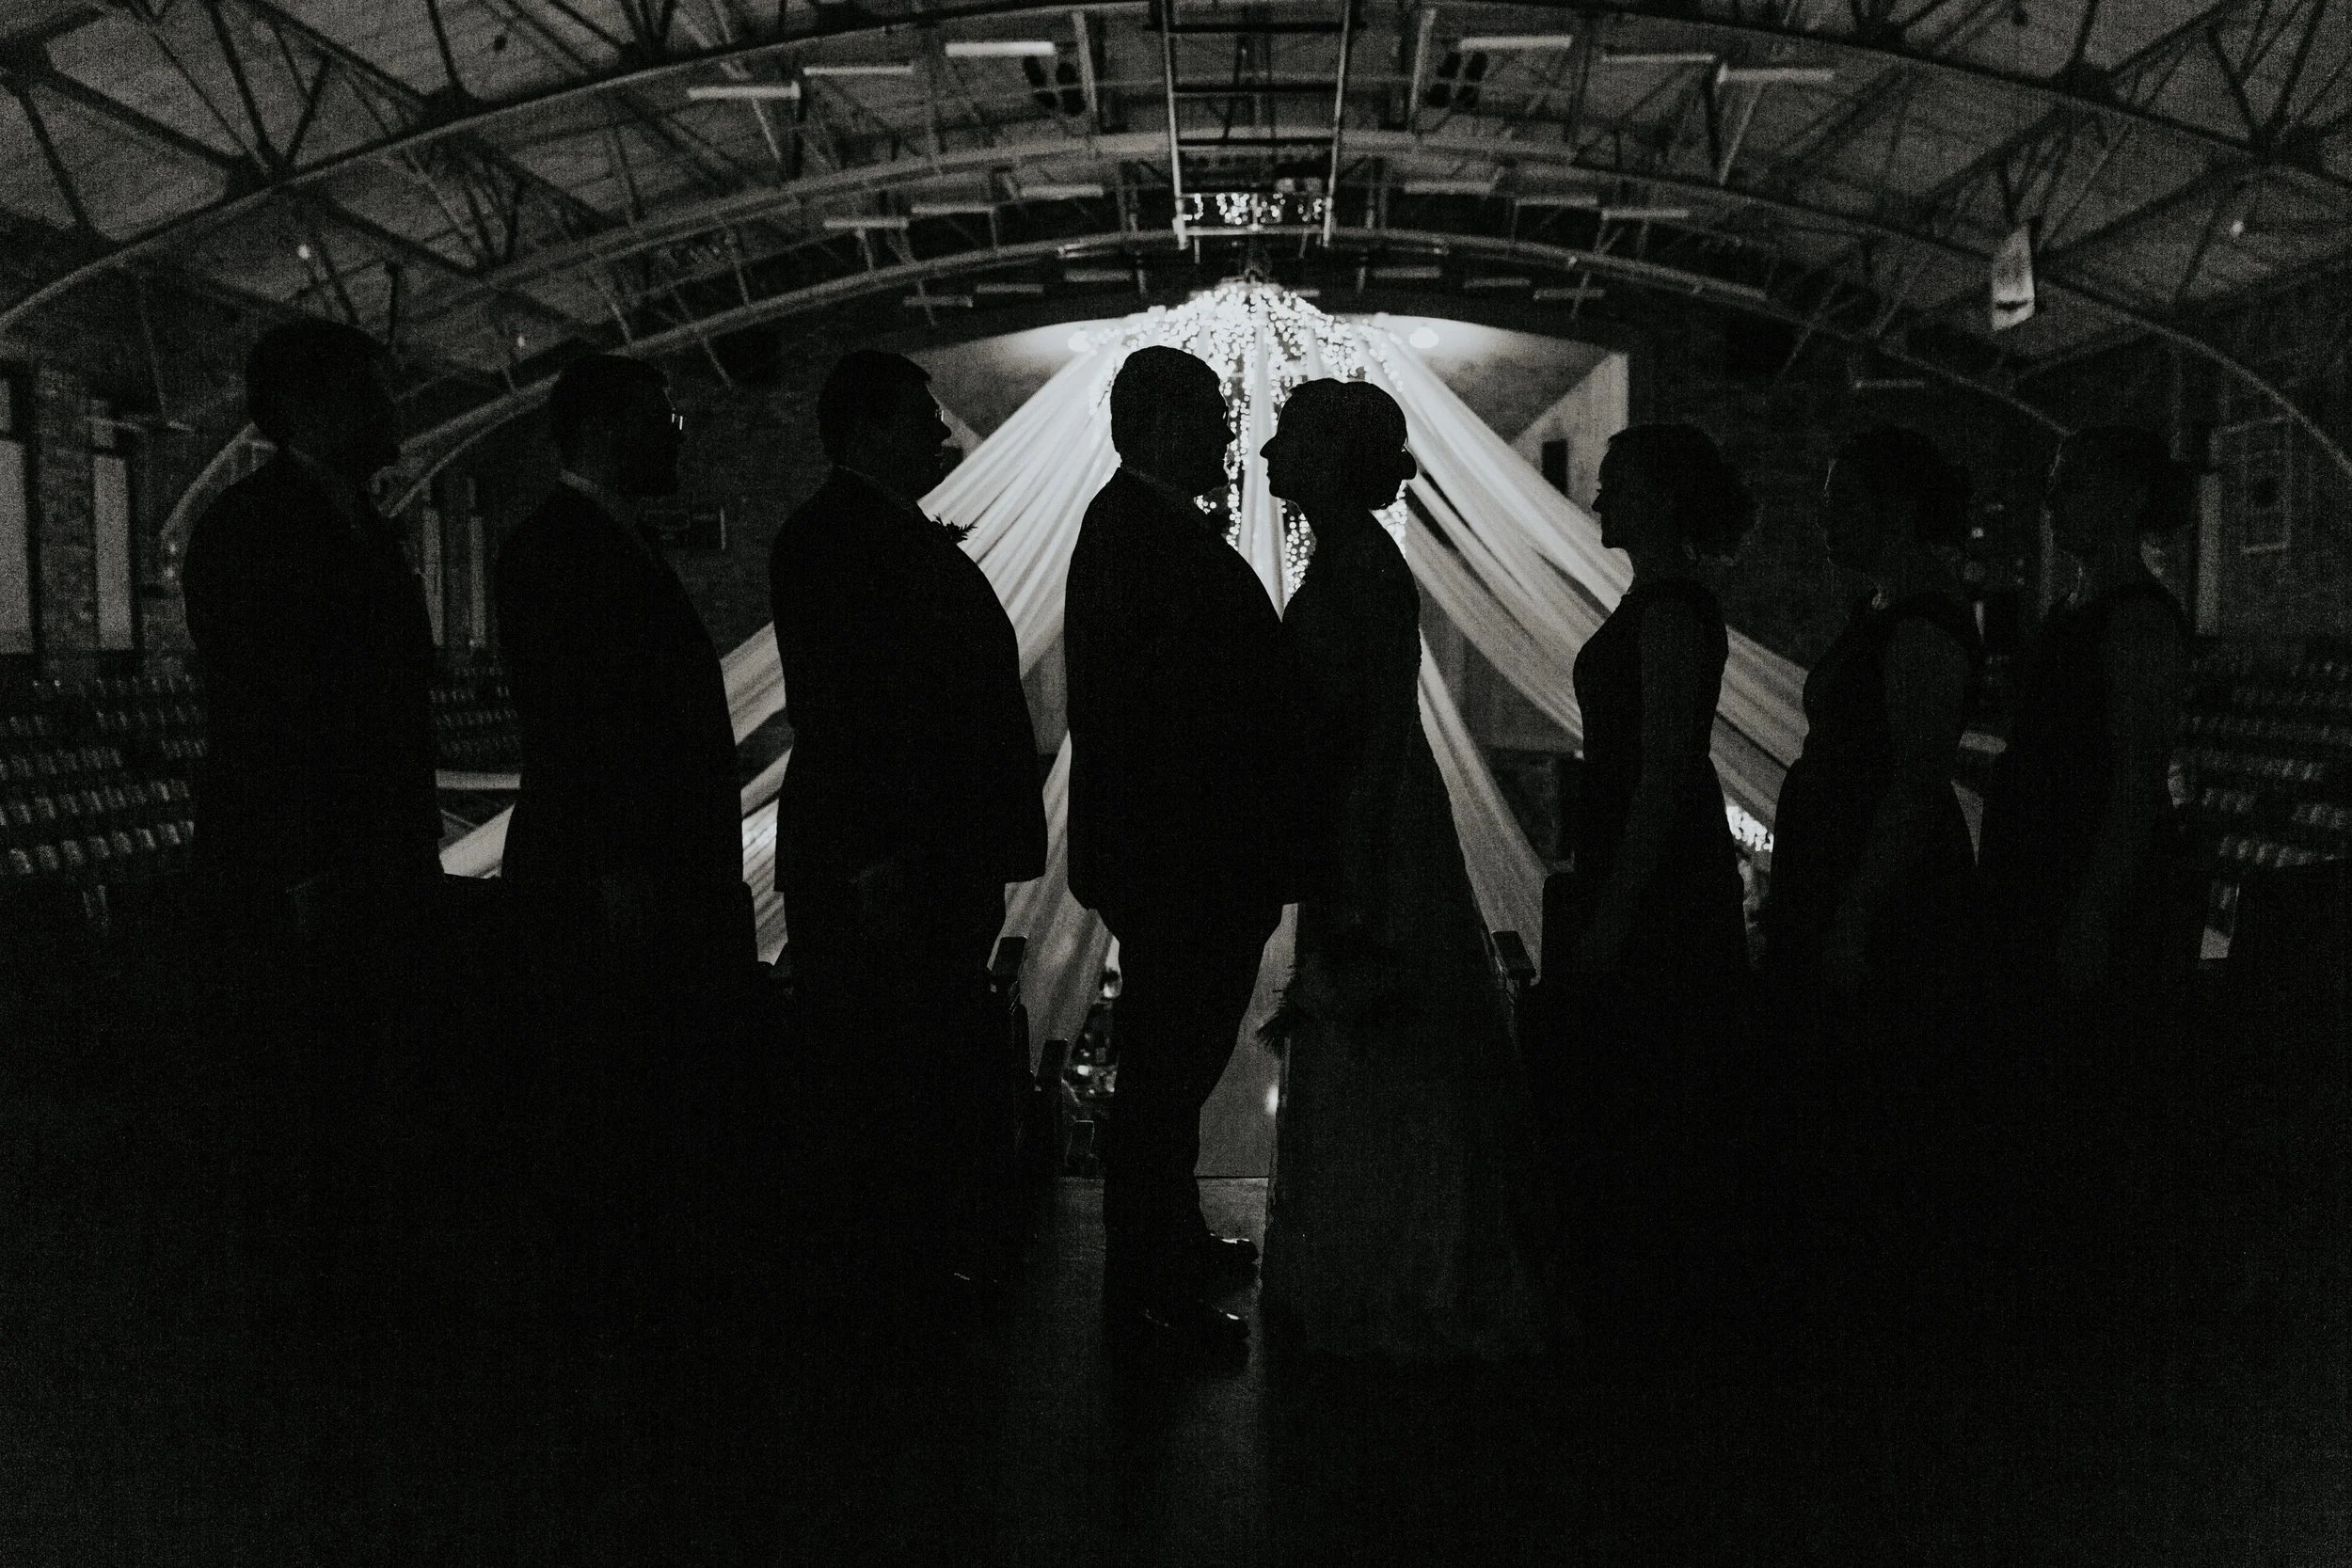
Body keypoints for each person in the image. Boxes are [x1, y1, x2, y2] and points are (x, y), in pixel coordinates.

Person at [1255, 379, 1555, 1361]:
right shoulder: (1349, 560)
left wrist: (1348, 876)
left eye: (1288, 437)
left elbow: (1367, 740)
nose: (1265, 453)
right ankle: (1377, 1264)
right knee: (1380, 1053)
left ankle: (1394, 1275)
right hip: (1373, 820)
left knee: (1385, 1044)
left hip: (1373, 828)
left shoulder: (1364, 572)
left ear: (1332, 458)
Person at [771, 350, 1047, 1321]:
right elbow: (847, 713)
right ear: (863, 431)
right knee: (883, 1071)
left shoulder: (875, 531)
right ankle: (885, 1283)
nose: (939, 436)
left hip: (930, 852)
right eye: (919, 420)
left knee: (917, 1064)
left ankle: (916, 1265)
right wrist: (879, 858)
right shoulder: (827, 540)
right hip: (887, 858)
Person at [495, 355, 757, 1357]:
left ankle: (632, 1297)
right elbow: (574, 723)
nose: (679, 433)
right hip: (610, 877)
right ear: (605, 426)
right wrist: (616, 865)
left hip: (648, 869)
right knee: (603, 1095)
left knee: (636, 1095)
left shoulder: (599, 540)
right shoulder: (554, 550)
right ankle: (602, 1315)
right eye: (663, 416)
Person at [182, 319, 441, 1327]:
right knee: (308, 1084)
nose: (390, 411)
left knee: (363, 1082)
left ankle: (355, 1280)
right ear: (305, 409)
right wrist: (303, 869)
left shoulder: (347, 519)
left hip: (367, 855)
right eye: (369, 392)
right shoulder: (253, 528)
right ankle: (306, 1303)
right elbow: (266, 712)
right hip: (310, 872)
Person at [1065, 345, 1296, 1354]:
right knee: (1165, 1074)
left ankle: (1176, 1241)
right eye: (1208, 413)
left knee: (1178, 1068)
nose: (1225, 431)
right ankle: (1149, 1288)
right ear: (1157, 424)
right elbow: (1166, 718)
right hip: (1183, 859)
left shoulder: (1145, 527)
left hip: (1188, 855)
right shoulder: (1136, 535)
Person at [1978, 426, 2201, 1333]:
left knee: (2085, 1099)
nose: (2052, 498)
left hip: (2081, 887)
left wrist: (2093, 917)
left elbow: (2136, 783)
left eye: (2069, 482)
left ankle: (2091, 1309)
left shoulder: (2140, 617)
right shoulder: (2081, 607)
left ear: (2119, 494)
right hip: (2045, 875)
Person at [1760, 426, 1983, 1325]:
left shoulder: (1926, 623)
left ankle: (1881, 1300)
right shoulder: (1886, 609)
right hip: (1844, 875)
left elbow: (1914, 781)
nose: (1823, 520)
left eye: (1840, 501)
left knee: (1875, 1083)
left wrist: (1854, 915)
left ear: (1893, 511)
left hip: (1886, 893)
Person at [1561, 422, 1756, 1343]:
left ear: (1665, 499)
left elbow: (1666, 768)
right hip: (1645, 855)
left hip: (1661, 871)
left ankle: (1662, 1303)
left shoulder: (1674, 608)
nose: (1600, 499)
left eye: (1617, 483)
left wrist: (1616, 908)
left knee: (1659, 1076)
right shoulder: (1653, 598)